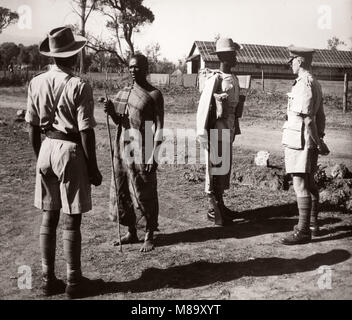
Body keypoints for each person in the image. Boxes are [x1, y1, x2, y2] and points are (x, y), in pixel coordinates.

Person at [25, 27, 102, 298]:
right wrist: (93, 168)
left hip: (46, 148)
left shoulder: (36, 82)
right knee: (72, 219)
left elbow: (32, 128)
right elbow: (85, 131)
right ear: (74, 54)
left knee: (49, 216)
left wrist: (40, 158)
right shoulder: (79, 85)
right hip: (70, 150)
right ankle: (74, 282)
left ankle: (48, 279)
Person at [103, 54, 164, 252]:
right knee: (124, 189)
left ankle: (148, 233)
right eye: (130, 67)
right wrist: (111, 110)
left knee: (144, 190)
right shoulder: (124, 92)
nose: (132, 70)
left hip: (144, 146)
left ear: (146, 68)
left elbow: (160, 127)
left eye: (137, 67)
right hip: (123, 146)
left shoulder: (154, 94)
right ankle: (131, 231)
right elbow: (119, 121)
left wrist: (154, 154)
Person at [280, 46, 328, 245]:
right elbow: (321, 116)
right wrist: (320, 139)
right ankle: (313, 225)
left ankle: (303, 230)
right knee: (310, 183)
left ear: (299, 61)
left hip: (300, 142)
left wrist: (319, 143)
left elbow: (309, 120)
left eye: (291, 61)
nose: (290, 65)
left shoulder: (304, 84)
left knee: (300, 185)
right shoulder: (314, 82)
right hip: (307, 141)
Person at [196, 38, 245, 226]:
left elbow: (236, 109)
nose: (235, 57)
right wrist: (203, 134)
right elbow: (203, 109)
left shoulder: (234, 79)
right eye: (232, 54)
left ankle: (220, 204)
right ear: (224, 56)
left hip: (228, 130)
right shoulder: (214, 79)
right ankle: (212, 207)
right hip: (216, 129)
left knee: (224, 168)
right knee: (214, 168)